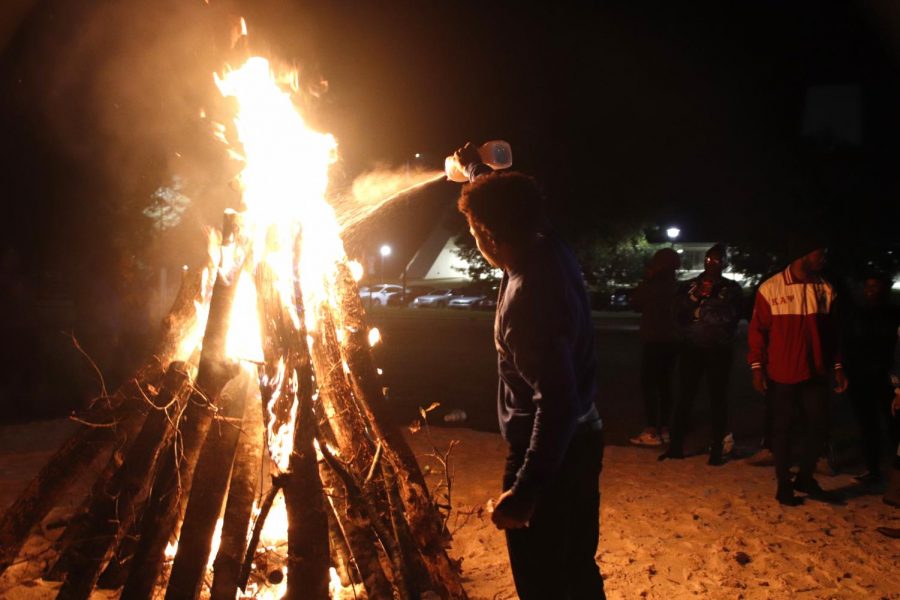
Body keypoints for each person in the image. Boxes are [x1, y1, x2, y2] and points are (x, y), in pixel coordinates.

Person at [452, 143, 605, 599]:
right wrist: (476, 171)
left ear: (490, 237)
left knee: (546, 582)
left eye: (475, 231)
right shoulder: (548, 246)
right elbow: (513, 208)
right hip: (582, 440)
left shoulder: (527, 300)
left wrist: (525, 492)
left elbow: (557, 405)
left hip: (552, 451)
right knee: (576, 567)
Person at [747, 235, 848, 506]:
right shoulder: (771, 288)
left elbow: (832, 333)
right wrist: (757, 367)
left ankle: (805, 476)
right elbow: (757, 331)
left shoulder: (825, 288)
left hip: (815, 370)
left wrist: (837, 365)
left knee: (819, 424)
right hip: (782, 371)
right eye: (819, 253)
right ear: (804, 254)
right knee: (783, 428)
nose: (823, 258)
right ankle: (783, 483)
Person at [660, 244, 743, 465]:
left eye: (716, 261)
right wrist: (695, 299)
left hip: (719, 349)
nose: (711, 265)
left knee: (718, 398)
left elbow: (729, 318)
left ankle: (717, 448)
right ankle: (675, 446)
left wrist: (699, 314)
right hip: (692, 347)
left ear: (724, 263)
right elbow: (677, 314)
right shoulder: (689, 286)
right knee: (684, 396)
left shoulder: (731, 288)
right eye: (708, 260)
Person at [844, 275, 900, 485]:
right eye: (867, 285)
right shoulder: (857, 314)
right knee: (867, 425)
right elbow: (848, 344)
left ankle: (895, 471)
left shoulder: (893, 314)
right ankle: (872, 468)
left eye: (875, 286)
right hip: (861, 378)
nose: (870, 290)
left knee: (894, 425)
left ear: (885, 288)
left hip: (887, 379)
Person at [629, 248, 681, 446]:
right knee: (666, 384)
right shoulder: (677, 287)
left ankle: (651, 429)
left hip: (654, 339)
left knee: (649, 384)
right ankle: (666, 428)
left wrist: (647, 280)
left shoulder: (652, 285)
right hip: (673, 340)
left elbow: (635, 303)